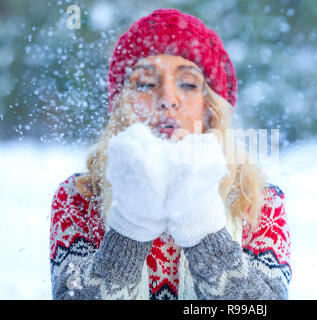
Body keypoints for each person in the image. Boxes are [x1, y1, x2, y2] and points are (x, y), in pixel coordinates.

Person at [49, 8, 291, 300]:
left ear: (211, 107)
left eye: (188, 84)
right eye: (146, 84)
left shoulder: (258, 201)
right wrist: (129, 229)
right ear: (123, 106)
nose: (166, 99)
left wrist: (204, 229)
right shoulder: (79, 197)